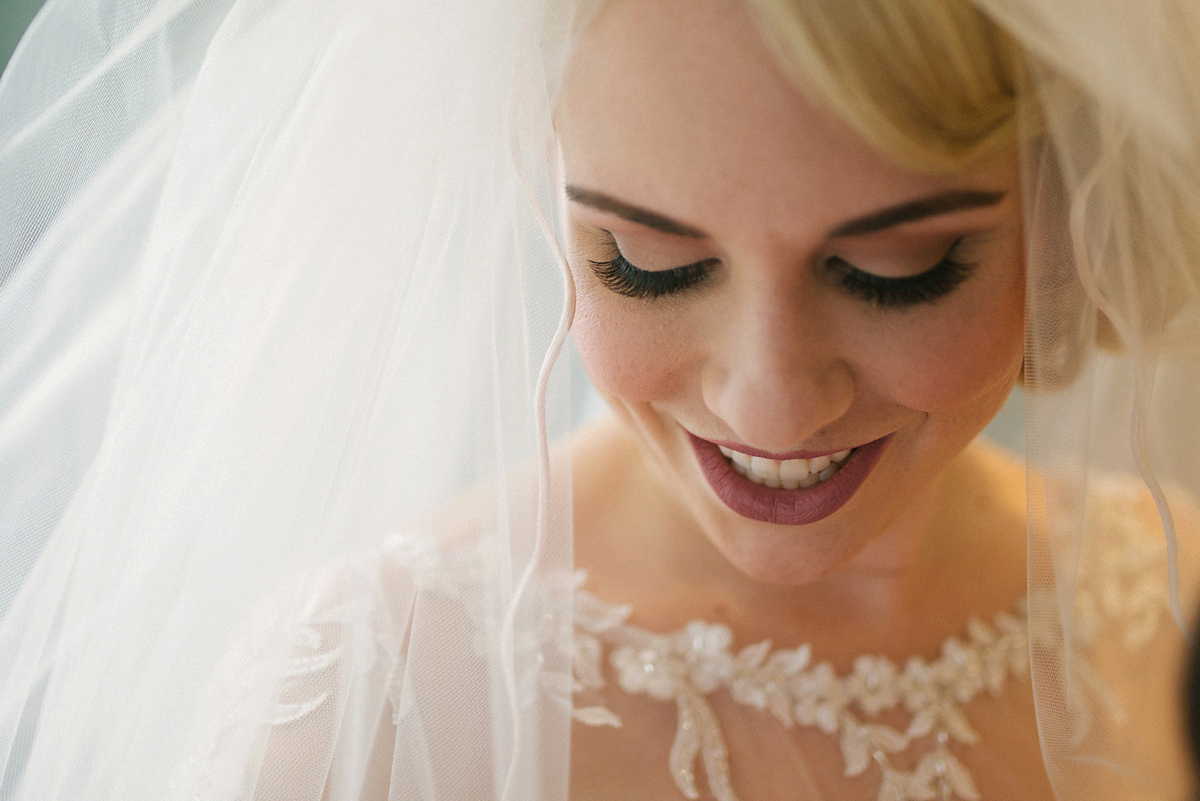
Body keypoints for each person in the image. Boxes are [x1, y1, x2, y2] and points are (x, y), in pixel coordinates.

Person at [0, 0, 1197, 799]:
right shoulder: (373, 709)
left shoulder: (1176, 597)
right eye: (649, 262)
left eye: (896, 272)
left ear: (1071, 204)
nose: (772, 405)